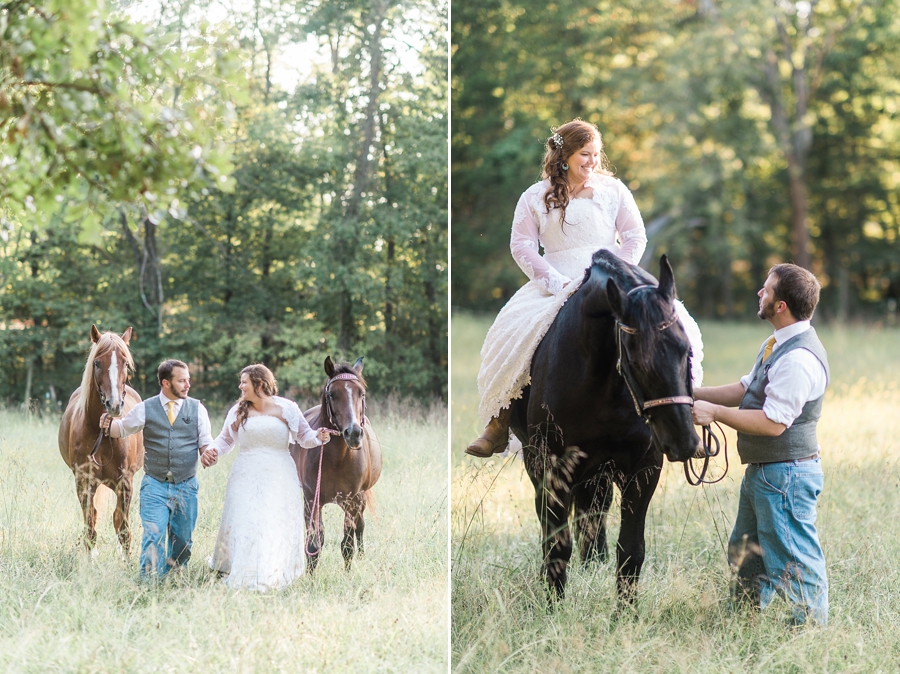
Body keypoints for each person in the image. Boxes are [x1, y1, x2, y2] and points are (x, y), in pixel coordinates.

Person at [467, 119, 704, 457]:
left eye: (596, 154)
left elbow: (635, 236)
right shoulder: (534, 197)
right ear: (564, 155)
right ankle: (499, 422)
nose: (592, 162)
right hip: (555, 282)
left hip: (612, 281)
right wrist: (555, 281)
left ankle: (686, 416)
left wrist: (620, 274)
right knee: (511, 333)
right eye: (584, 154)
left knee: (675, 324)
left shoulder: (614, 190)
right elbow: (522, 246)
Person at [692, 264, 829, 625]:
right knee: (745, 552)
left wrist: (715, 413)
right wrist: (688, 395)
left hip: (787, 475)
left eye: (766, 290)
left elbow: (773, 423)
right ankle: (742, 623)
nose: (759, 293)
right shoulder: (777, 343)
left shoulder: (799, 358)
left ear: (781, 305)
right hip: (766, 473)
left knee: (794, 559)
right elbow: (745, 390)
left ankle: (810, 637)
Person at [202, 364, 331, 591]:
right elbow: (224, 441)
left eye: (244, 382)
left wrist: (319, 436)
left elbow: (305, 437)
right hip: (245, 473)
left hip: (279, 474)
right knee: (247, 520)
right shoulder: (237, 411)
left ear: (259, 384)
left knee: (272, 520)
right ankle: (243, 569)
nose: (240, 386)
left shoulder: (287, 408)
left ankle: (272, 570)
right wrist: (211, 450)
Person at [100, 359, 216, 580]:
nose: (187, 385)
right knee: (153, 535)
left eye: (188, 380)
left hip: (186, 485)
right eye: (182, 381)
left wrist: (208, 453)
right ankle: (149, 584)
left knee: (183, 540)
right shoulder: (146, 408)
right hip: (155, 485)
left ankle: (174, 577)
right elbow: (122, 428)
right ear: (165, 383)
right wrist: (108, 424)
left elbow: (206, 442)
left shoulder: (197, 409)